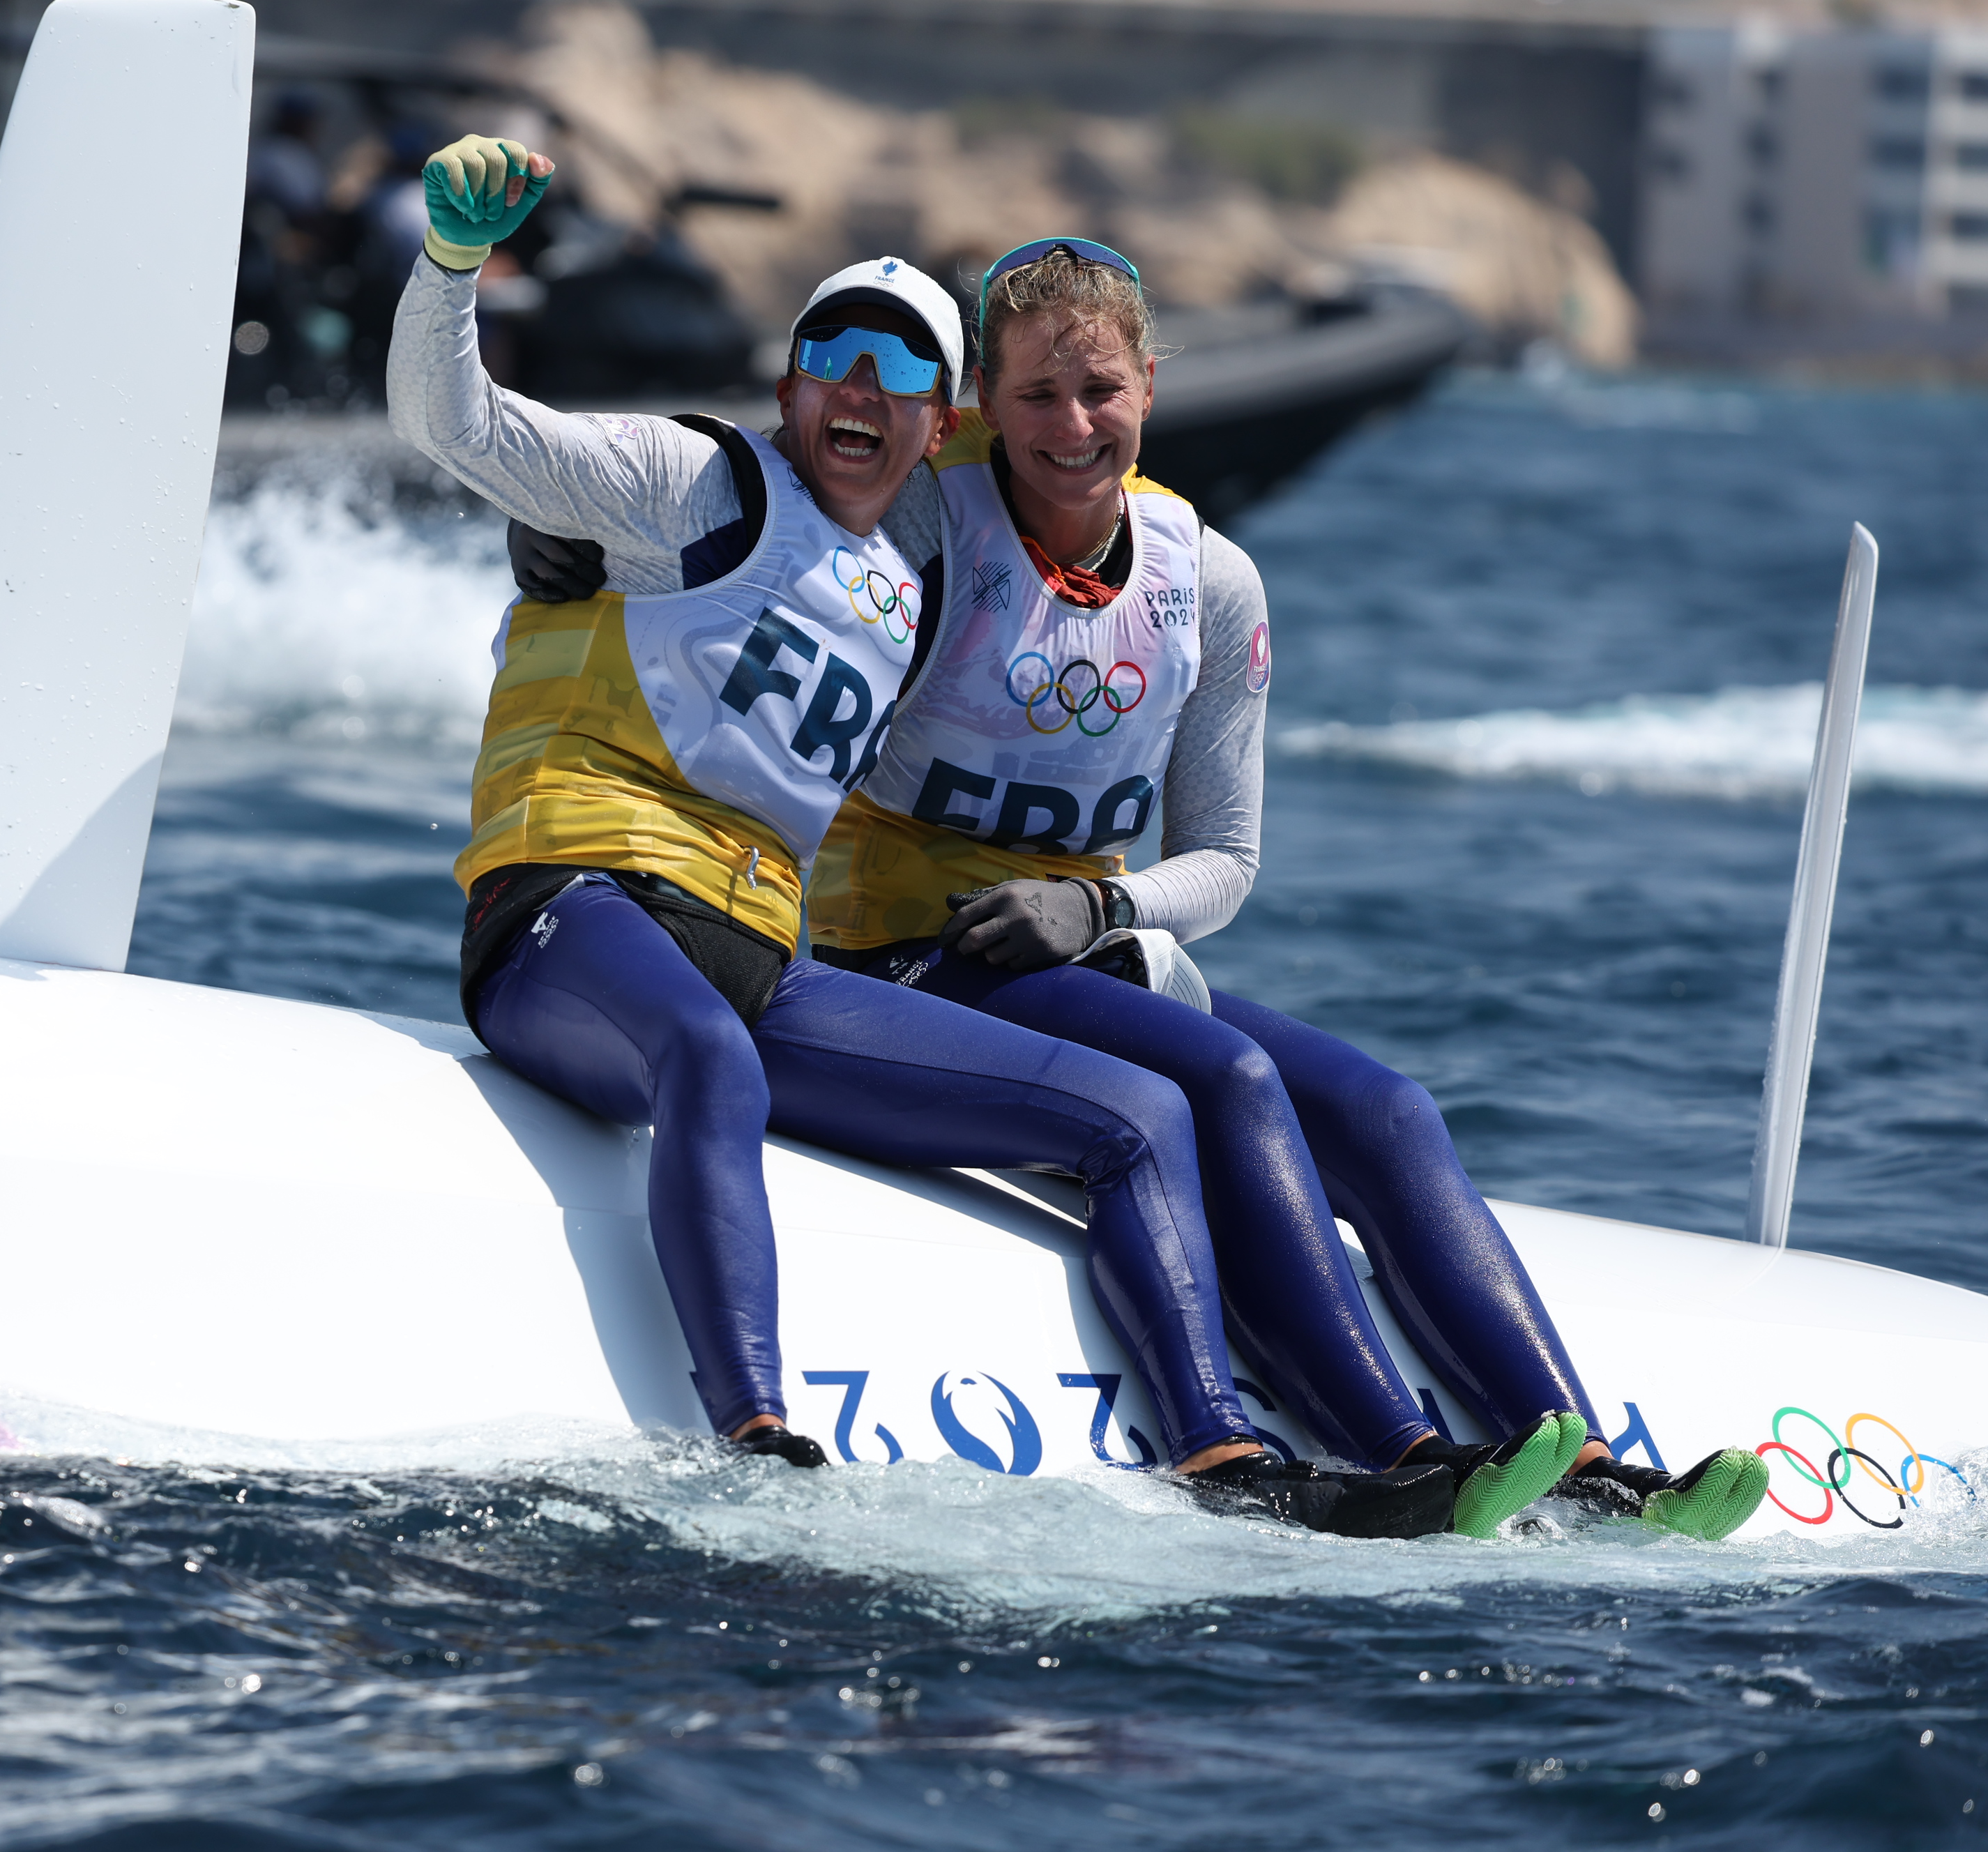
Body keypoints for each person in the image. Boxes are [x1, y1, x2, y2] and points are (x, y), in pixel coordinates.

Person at [509, 238, 1769, 1543]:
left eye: (1101, 391)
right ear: (979, 408)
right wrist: (560, 525)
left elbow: (1228, 861)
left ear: (1152, 387)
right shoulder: (926, 517)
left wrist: (1105, 911)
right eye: (1037, 397)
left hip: (1089, 953)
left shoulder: (1207, 580)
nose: (1071, 426)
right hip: (901, 952)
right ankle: (1397, 1451)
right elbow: (732, 504)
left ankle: (1584, 1463)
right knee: (1225, 1080)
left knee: (1388, 1111)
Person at [392, 132, 1452, 1538]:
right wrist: (453, 271)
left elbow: (1046, 554)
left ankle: (1226, 1462)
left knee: (1138, 1114)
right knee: (703, 1050)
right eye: (836, 353)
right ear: (790, 381)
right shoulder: (681, 479)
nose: (864, 388)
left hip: (763, 950)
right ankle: (755, 1439)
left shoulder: (912, 580)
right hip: (573, 904)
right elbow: (454, 427)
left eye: (902, 374)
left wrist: (1109, 892)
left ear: (936, 423)